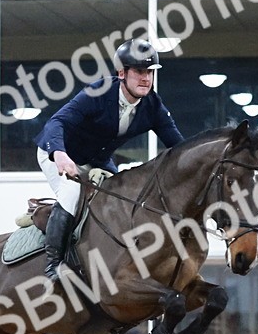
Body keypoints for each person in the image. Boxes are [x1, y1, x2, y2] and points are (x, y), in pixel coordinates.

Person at [34, 38, 184, 279]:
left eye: (150, 72)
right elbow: (57, 122)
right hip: (60, 153)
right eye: (139, 72)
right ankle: (53, 265)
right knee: (71, 195)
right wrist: (59, 154)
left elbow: (179, 148)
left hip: (97, 159)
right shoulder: (98, 92)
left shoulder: (153, 106)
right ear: (122, 73)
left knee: (124, 199)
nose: (146, 78)